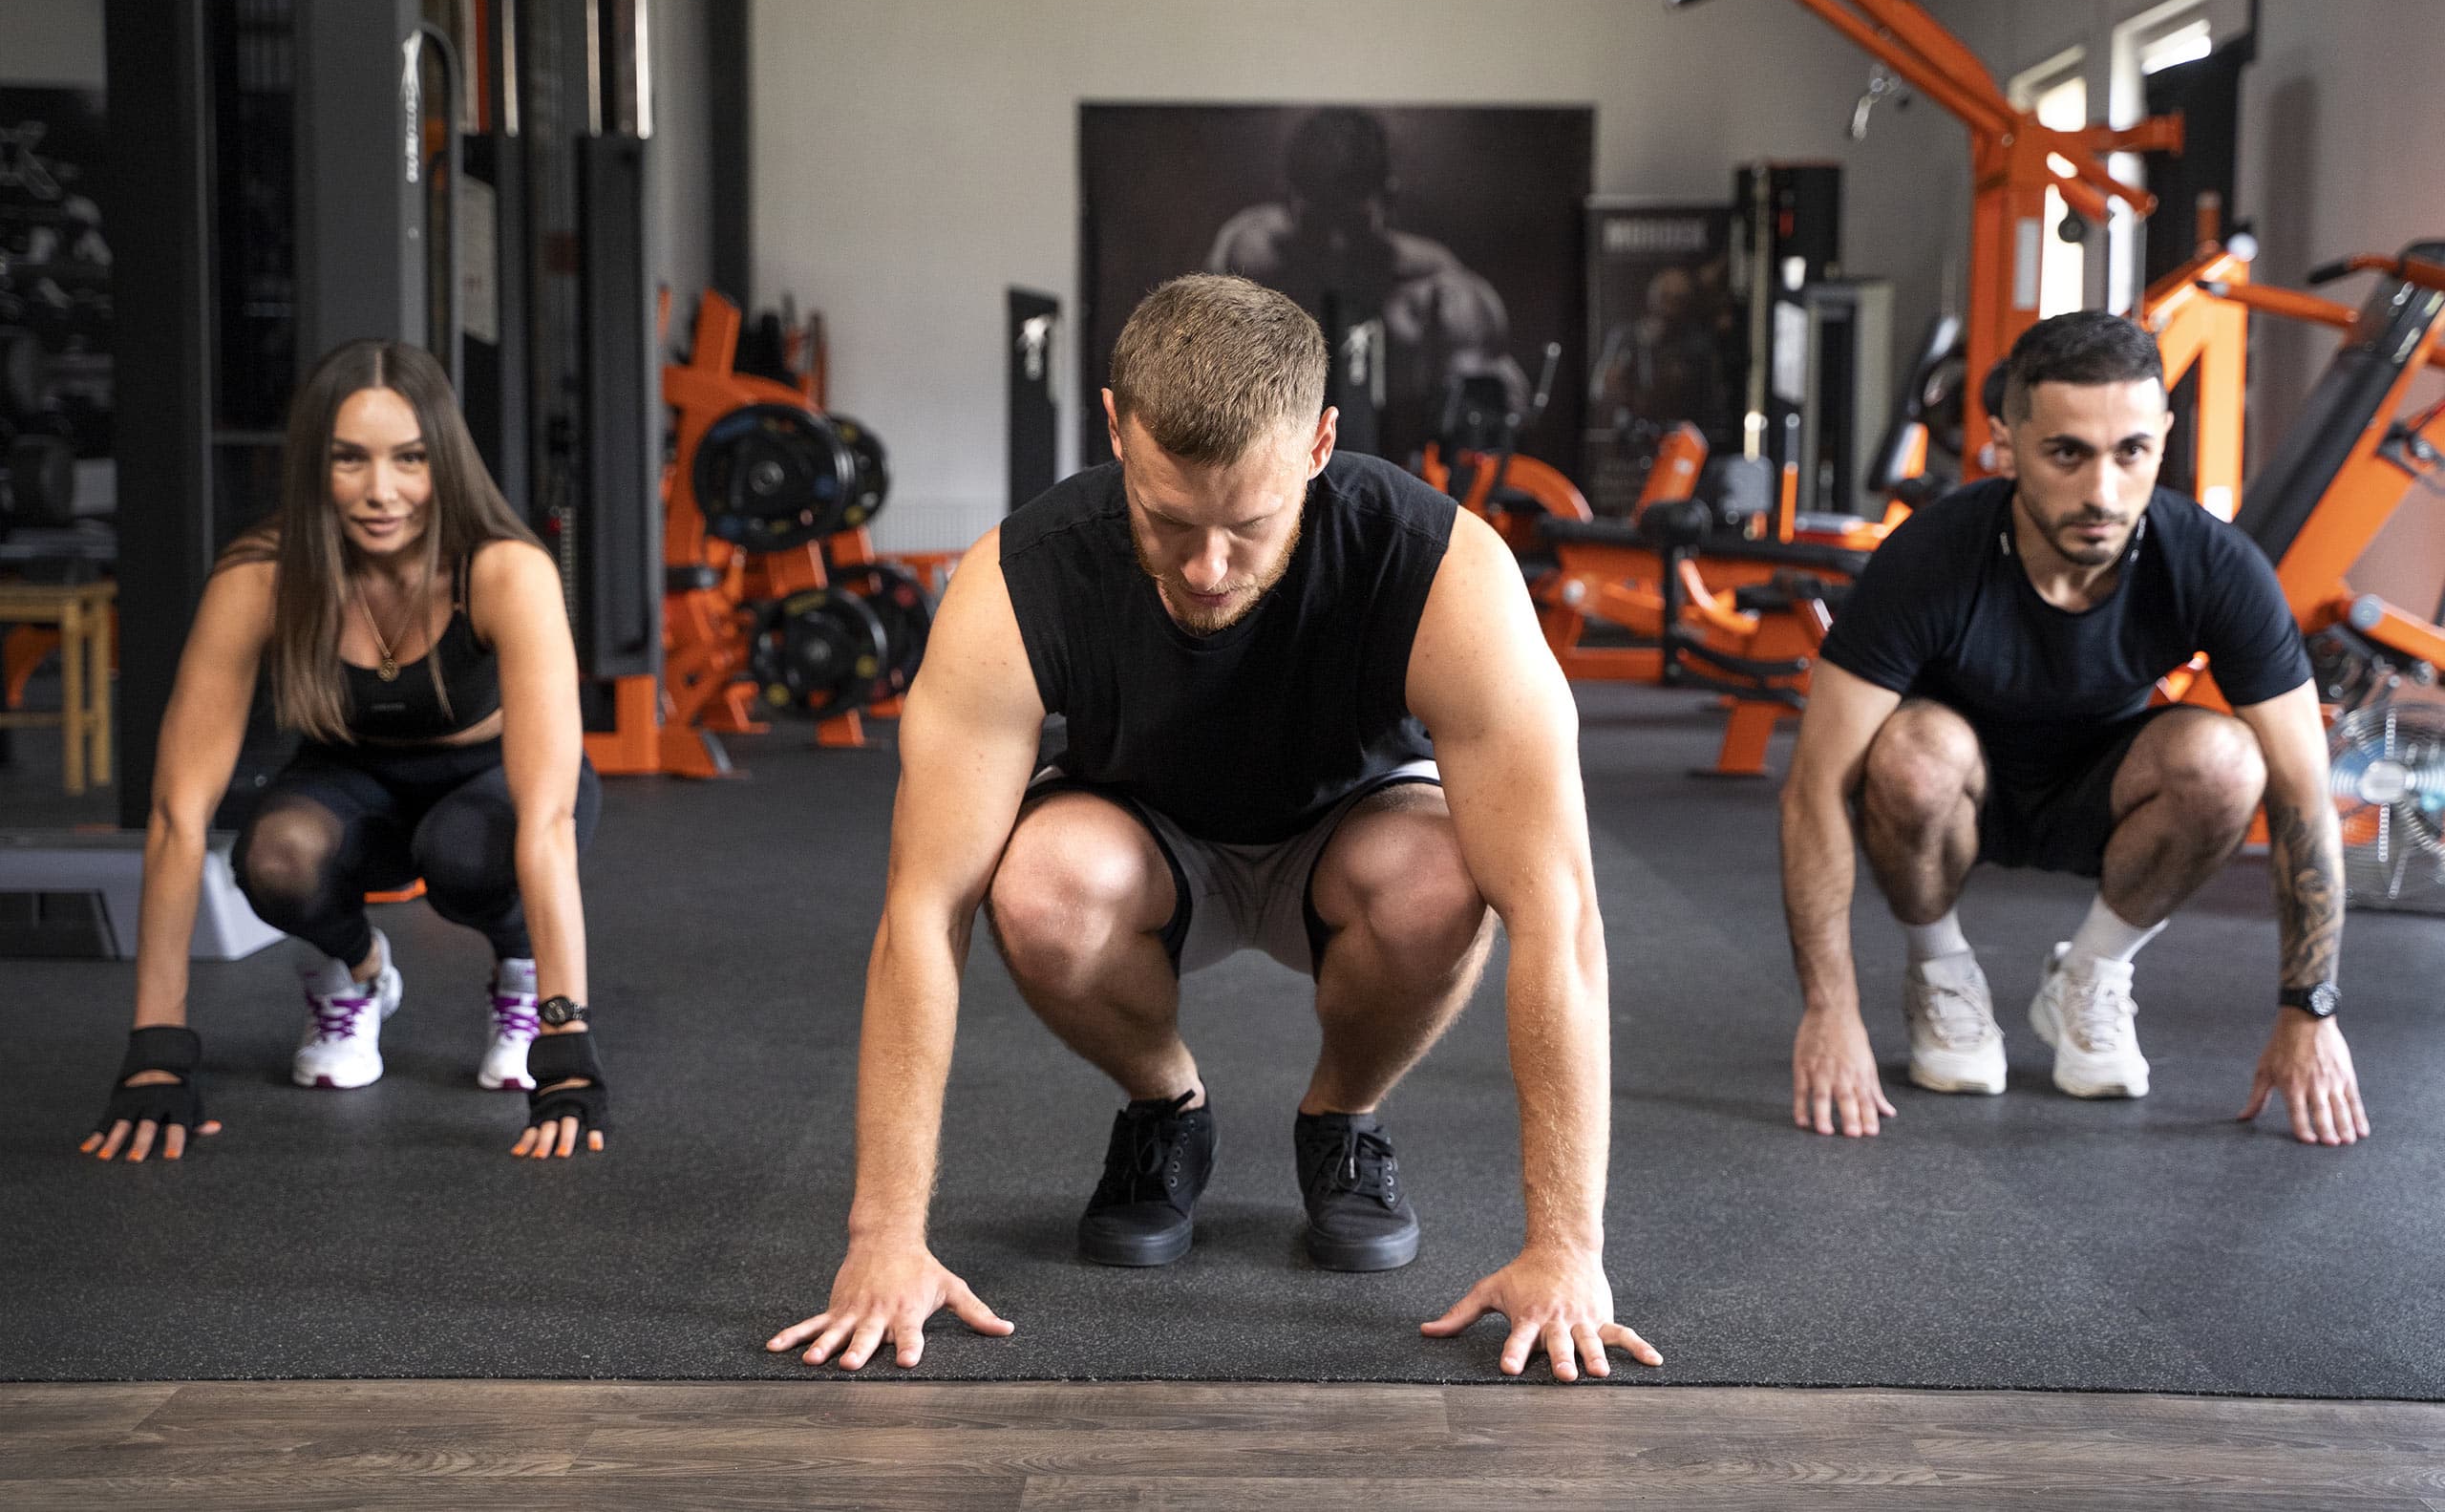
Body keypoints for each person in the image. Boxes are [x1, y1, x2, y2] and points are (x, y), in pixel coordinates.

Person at [769, 275, 1660, 1381]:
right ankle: (1165, 1107)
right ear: (1112, 429)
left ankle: (1342, 1114)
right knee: (1037, 882)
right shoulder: (1017, 585)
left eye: (1249, 525)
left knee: (1441, 876)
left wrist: (1567, 1247)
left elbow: (1558, 912)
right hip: (1139, 845)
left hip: (1351, 840)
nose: (1205, 567)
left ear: (1322, 443)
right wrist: (884, 1237)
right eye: (1167, 519)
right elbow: (920, 909)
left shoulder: (1437, 568)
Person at [1779, 310, 2367, 1147]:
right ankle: (1938, 968)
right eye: (2068, 454)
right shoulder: (1931, 557)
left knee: (2228, 760)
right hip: (1955, 792)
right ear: (2005, 441)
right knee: (1913, 752)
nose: (2102, 492)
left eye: (2131, 452)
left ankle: (2092, 973)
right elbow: (1813, 789)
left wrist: (2311, 1007)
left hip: (2109, 795)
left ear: (2163, 438)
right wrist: (1830, 1009)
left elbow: (2306, 792)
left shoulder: (2214, 564)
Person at [80, 340, 609, 1166]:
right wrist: (157, 1043)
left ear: (445, 460)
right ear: (311, 466)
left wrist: (564, 1033)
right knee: (276, 857)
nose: (381, 491)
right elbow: (178, 814)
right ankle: (359, 969)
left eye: (409, 459)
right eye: (349, 460)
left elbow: (545, 819)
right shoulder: (263, 576)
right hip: (349, 776)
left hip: (492, 781)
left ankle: (515, 967)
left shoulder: (506, 571)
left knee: (470, 854)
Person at [1206, 107, 1528, 463]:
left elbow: (1496, 419)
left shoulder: (1438, 289)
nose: (1336, 244)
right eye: (1317, 223)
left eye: (1353, 223)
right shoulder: (1247, 257)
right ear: (1290, 200)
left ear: (1386, 202)